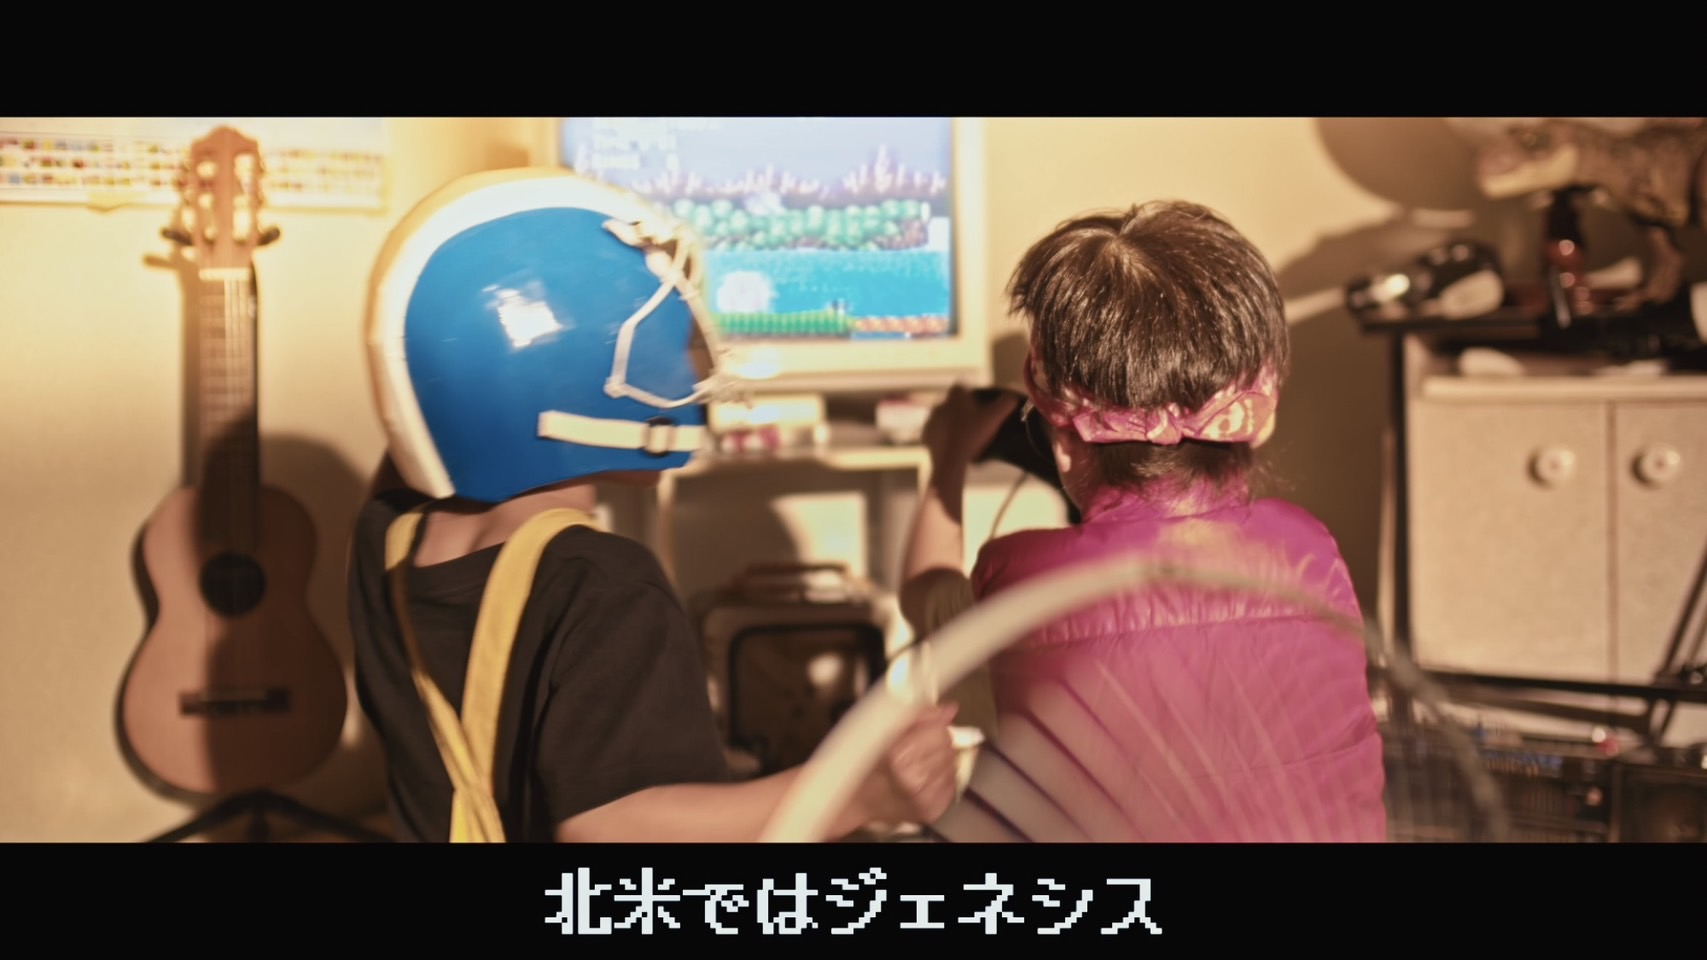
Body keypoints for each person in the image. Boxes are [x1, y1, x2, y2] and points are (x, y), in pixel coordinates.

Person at [350, 167, 958, 843]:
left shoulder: (385, 534)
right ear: (567, 374)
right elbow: (614, 828)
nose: (684, 359)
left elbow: (423, 430)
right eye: (651, 334)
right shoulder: (604, 583)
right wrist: (860, 791)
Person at [901, 200, 1387, 842]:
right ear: (1259, 416)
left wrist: (948, 458)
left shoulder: (1021, 580)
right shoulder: (1314, 552)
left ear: (1062, 438)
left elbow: (925, 597)